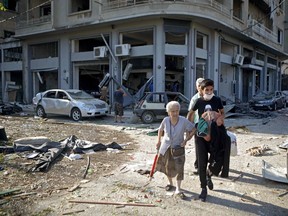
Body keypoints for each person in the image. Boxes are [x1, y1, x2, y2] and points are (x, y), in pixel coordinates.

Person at [187, 79, 225, 202]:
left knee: (217, 160)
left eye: (211, 89)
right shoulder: (198, 101)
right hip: (201, 134)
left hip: (215, 133)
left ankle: (210, 174)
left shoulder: (217, 100)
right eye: (206, 90)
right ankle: (203, 188)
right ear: (201, 91)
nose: (209, 92)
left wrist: (220, 119)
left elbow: (223, 113)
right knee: (201, 162)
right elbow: (190, 113)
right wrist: (189, 127)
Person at [156, 101, 196, 199]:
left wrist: (186, 139)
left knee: (179, 168)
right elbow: (160, 130)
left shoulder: (183, 120)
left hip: (178, 148)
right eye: (172, 111)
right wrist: (158, 141)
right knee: (167, 166)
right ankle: (170, 183)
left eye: (177, 111)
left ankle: (178, 188)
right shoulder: (165, 120)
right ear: (168, 112)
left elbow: (193, 129)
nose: (175, 113)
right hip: (166, 147)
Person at [188, 77, 204, 175]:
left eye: (203, 85)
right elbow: (191, 113)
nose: (201, 87)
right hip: (198, 126)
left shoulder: (211, 96)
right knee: (199, 147)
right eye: (199, 85)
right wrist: (189, 128)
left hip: (209, 125)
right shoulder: (195, 99)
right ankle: (199, 166)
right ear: (196, 87)